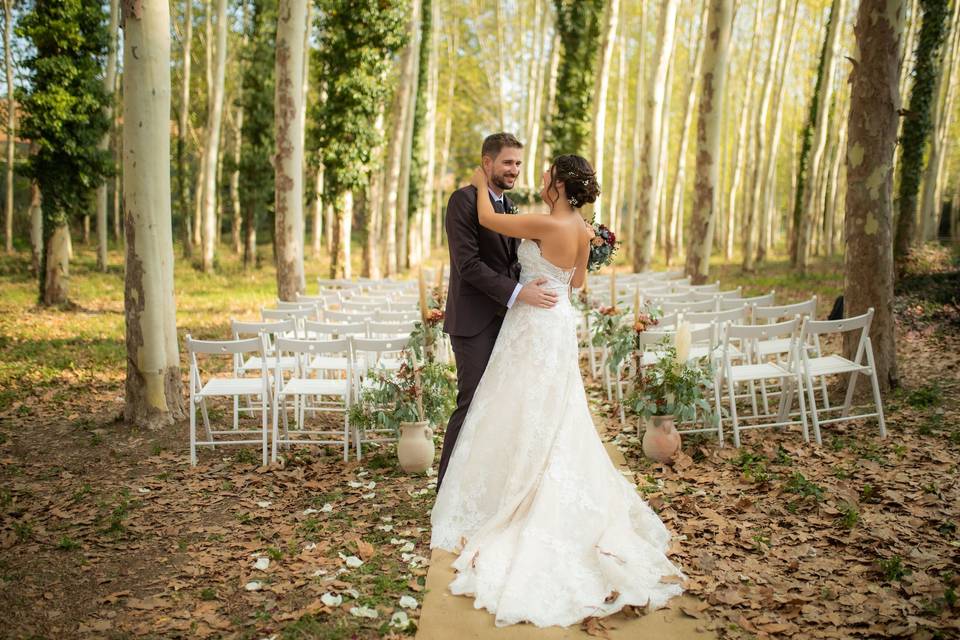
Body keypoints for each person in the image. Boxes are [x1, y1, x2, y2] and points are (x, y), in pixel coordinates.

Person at [430, 153, 687, 628]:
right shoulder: (584, 232)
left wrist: (475, 178)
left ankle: (514, 492)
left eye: (548, 174)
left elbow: (487, 216)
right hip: (558, 321)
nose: (541, 178)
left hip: (531, 322)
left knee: (515, 406)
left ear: (563, 186)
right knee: (556, 412)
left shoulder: (547, 225)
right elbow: (578, 283)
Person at [437, 132, 559, 491]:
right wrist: (520, 293)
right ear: (487, 163)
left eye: (519, 163)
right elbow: (469, 265)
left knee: (500, 407)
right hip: (473, 322)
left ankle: (483, 488)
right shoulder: (462, 201)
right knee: (471, 403)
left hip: (509, 322)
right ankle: (447, 491)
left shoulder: (506, 206)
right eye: (508, 162)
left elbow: (510, 262)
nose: (515, 170)